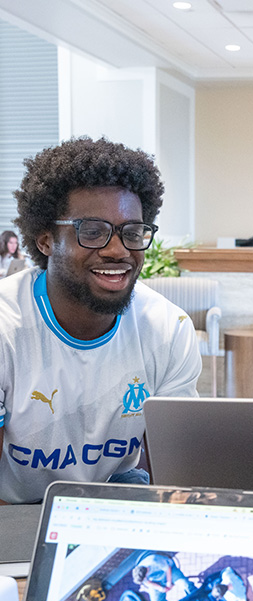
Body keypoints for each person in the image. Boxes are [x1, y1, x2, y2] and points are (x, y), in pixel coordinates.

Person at [0, 136, 202, 504]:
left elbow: (173, 485)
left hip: (113, 515)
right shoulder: (6, 329)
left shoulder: (168, 330)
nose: (118, 250)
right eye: (92, 231)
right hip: (15, 520)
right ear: (45, 240)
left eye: (132, 232)